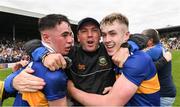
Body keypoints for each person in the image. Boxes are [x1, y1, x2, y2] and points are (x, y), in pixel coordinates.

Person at [67, 13, 160, 106]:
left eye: (113, 34)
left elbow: (111, 104)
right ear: (77, 37)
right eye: (104, 35)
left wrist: (71, 90)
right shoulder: (114, 55)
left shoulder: (137, 60)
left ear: (126, 36)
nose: (107, 40)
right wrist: (115, 90)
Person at [4, 14, 73, 106]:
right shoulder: (54, 74)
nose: (70, 40)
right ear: (46, 37)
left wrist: (11, 81)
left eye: (70, 35)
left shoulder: (35, 58)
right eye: (64, 35)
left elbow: (7, 87)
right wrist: (13, 81)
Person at [142, 29, 176, 107]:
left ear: (150, 40)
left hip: (163, 94)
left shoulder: (155, 50)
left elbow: (136, 60)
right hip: (166, 92)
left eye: (142, 37)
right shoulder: (159, 47)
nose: (140, 39)